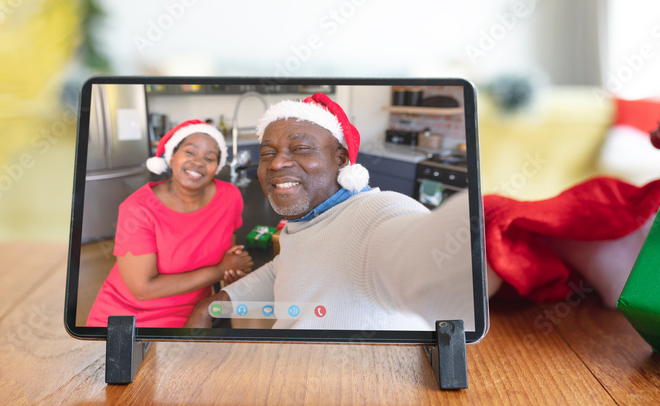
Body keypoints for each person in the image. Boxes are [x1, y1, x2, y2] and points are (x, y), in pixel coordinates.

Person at [184, 94, 476, 332]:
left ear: (341, 158)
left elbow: (419, 253)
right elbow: (284, 268)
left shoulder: (372, 214)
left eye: (299, 148)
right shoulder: (305, 223)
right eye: (267, 153)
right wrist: (213, 305)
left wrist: (482, 235)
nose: (276, 164)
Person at [86, 119, 253, 328]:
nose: (198, 162)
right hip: (128, 320)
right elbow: (143, 289)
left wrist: (231, 270)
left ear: (216, 167)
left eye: (209, 158)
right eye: (190, 152)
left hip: (192, 315)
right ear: (172, 157)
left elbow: (227, 244)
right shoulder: (137, 209)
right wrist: (221, 269)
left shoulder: (230, 196)